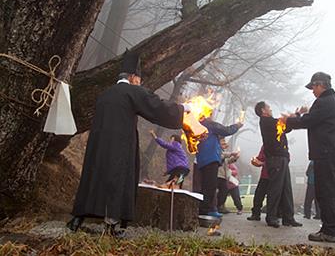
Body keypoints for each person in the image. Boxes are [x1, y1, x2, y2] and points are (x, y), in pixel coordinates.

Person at [66, 50, 190, 236]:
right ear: (133, 77)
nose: (140, 83)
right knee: (117, 180)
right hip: (120, 146)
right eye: (138, 79)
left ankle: (77, 220)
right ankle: (110, 226)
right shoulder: (131, 91)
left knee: (93, 178)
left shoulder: (105, 94)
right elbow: (156, 106)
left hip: (98, 146)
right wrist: (182, 109)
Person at [282, 72, 335, 243]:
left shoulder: (324, 101)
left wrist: (287, 120)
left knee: (325, 193)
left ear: (320, 85)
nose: (312, 91)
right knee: (334, 193)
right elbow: (314, 118)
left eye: (313, 87)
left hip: (326, 155)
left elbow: (307, 121)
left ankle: (329, 231)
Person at [255, 101, 302, 228]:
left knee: (286, 189)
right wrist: (297, 114)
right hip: (275, 159)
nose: (270, 109)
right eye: (268, 108)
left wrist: (294, 117)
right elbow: (284, 122)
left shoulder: (272, 123)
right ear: (263, 111)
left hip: (282, 158)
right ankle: (271, 217)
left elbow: (287, 127)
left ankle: (288, 218)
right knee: (275, 189)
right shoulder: (266, 122)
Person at [196, 116, 242, 217]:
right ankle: (205, 210)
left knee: (207, 186)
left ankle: (209, 209)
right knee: (210, 187)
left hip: (203, 159)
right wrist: (237, 125)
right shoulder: (209, 124)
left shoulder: (197, 126)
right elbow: (226, 130)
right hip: (210, 158)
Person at [216, 138, 240, 214]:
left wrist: (236, 157)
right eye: (222, 143)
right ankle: (216, 207)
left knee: (224, 191)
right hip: (217, 174)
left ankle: (219, 206)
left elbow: (228, 161)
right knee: (217, 191)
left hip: (223, 176)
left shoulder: (223, 152)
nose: (225, 144)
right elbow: (221, 157)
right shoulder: (217, 150)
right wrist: (231, 154)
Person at [247, 145, 269, 221]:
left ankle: (273, 215)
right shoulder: (264, 146)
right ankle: (255, 214)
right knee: (258, 196)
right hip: (264, 176)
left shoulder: (279, 143)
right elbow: (260, 158)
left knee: (273, 197)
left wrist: (263, 163)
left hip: (275, 176)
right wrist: (255, 161)